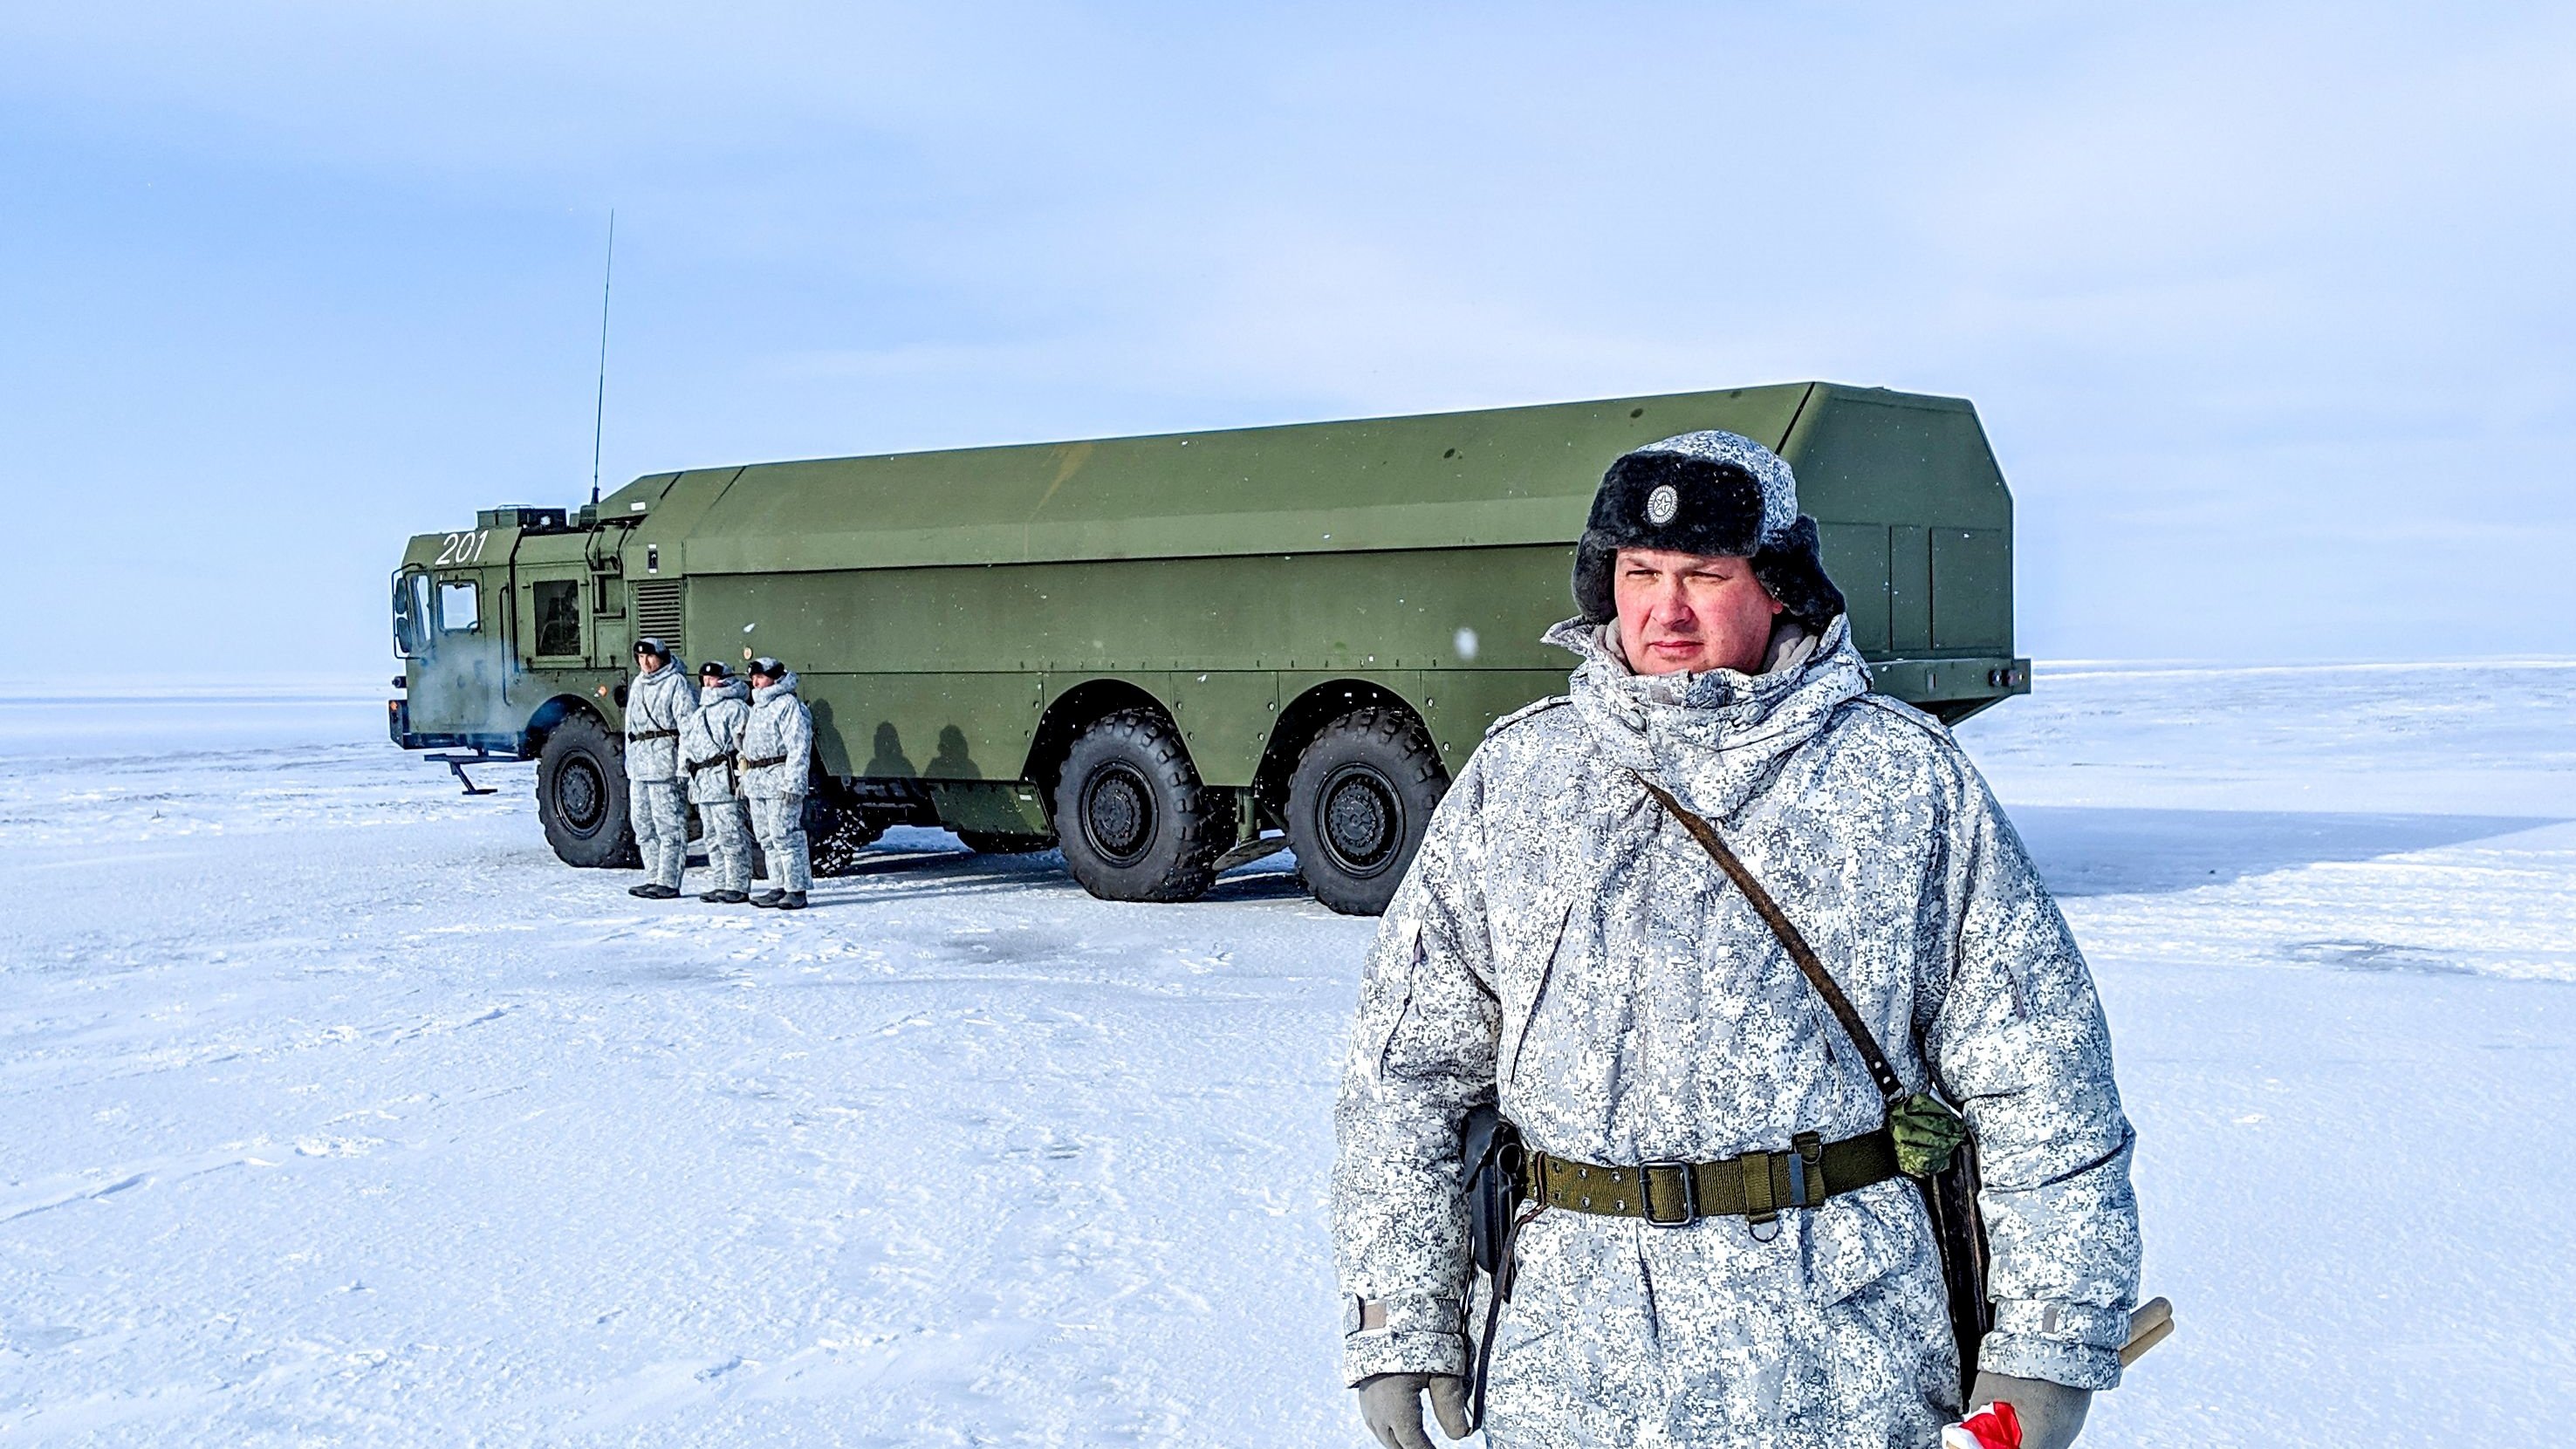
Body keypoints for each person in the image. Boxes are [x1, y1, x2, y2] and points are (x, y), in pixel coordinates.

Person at [1333, 431, 2139, 1449]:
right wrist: (1400, 1312)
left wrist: (2049, 1345)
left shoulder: (1904, 783)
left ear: (1779, 585)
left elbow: (2044, 1077)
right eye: (1639, 573)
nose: (1664, 610)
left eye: (1703, 575)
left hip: (1841, 1364)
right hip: (1570, 1367)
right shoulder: (1516, 782)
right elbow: (1404, 1077)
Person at [622, 636, 697, 900]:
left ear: (662, 657)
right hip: (640, 764)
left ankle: (669, 881)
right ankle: (652, 876)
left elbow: (688, 727)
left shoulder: (676, 683)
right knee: (642, 824)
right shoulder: (638, 684)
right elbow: (630, 727)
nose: (645, 663)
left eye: (650, 657)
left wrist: (684, 765)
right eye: (640, 658)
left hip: (664, 763)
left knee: (669, 826)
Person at [738, 657, 813, 910]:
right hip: (758, 780)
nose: (755, 682)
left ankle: (796, 888)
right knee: (767, 837)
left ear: (775, 677)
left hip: (780, 778)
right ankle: (778, 886)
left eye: (760, 677)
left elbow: (799, 746)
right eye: (753, 677)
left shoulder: (787, 705)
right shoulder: (757, 706)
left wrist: (794, 782)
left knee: (786, 835)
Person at [680, 660, 755, 904]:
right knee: (712, 836)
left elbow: (745, 746)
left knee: (731, 834)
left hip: (725, 779)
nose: (708, 682)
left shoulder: (735, 708)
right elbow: (688, 745)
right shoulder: (700, 712)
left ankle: (738, 884)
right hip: (703, 781)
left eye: (712, 678)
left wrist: (745, 777)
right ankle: (721, 882)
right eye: (704, 678)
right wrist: (688, 776)